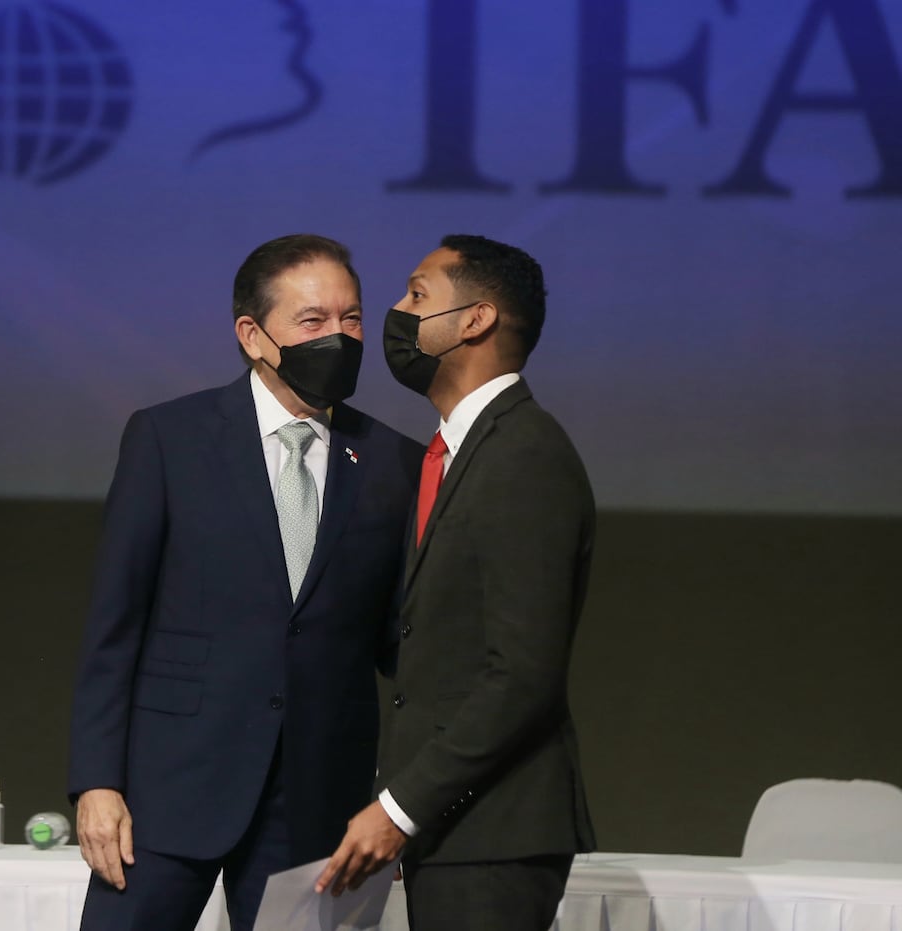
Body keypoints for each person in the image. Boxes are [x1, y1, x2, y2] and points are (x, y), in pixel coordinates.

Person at [68, 233, 423, 931]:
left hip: (319, 800)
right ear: (253, 335)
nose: (340, 337)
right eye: (313, 321)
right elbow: (115, 624)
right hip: (167, 790)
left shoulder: (393, 462)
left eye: (351, 318)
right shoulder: (169, 439)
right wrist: (97, 780)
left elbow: (400, 643)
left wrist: (406, 801)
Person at [316, 235, 596, 930]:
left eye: (417, 295)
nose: (396, 311)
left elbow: (522, 673)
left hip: (495, 834)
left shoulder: (523, 453)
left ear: (475, 320)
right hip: (459, 831)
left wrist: (399, 807)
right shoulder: (460, 450)